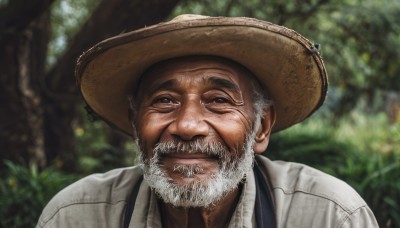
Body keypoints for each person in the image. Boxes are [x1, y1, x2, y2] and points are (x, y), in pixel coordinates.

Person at [37, 14, 378, 228]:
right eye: (164, 101)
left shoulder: (329, 217)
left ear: (261, 127)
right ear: (135, 123)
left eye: (218, 101)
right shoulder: (75, 216)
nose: (187, 126)